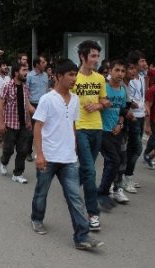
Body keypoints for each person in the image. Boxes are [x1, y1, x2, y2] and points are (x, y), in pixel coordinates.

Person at [31, 59, 104, 250]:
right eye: (70, 75)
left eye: (75, 75)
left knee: (75, 197)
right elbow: (38, 127)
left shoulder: (75, 100)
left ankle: (82, 236)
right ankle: (37, 218)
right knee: (41, 192)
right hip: (48, 157)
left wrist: (74, 149)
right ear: (58, 77)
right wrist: (39, 154)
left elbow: (72, 124)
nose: (74, 79)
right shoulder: (47, 99)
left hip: (69, 158)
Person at [72, 40, 109, 231]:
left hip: (97, 127)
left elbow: (104, 100)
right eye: (93, 56)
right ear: (82, 57)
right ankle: (93, 213)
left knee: (88, 169)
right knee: (90, 170)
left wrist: (99, 105)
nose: (96, 59)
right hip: (80, 128)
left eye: (97, 56)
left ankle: (71, 189)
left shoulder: (100, 79)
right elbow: (65, 102)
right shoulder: (74, 78)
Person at [97, 60, 129, 209]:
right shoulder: (103, 87)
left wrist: (120, 124)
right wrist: (101, 104)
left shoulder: (122, 90)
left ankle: (106, 190)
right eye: (117, 70)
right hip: (101, 130)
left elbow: (122, 111)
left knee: (114, 162)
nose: (120, 74)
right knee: (114, 160)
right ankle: (102, 192)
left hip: (116, 130)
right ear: (110, 71)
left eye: (123, 71)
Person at [0, 63, 32, 183]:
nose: (26, 72)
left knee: (23, 150)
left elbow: (26, 105)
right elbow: (0, 104)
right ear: (16, 72)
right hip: (10, 124)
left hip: (23, 125)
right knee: (9, 149)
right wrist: (1, 123)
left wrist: (29, 121)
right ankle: (3, 162)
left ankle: (17, 174)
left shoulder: (25, 87)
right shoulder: (7, 85)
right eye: (24, 70)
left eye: (27, 70)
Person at [123, 50, 147, 193]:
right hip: (132, 117)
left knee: (132, 148)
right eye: (142, 61)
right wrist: (131, 103)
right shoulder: (126, 78)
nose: (145, 64)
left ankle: (126, 175)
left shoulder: (142, 77)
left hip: (141, 115)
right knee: (136, 148)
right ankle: (126, 176)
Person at [26, 56, 48, 161]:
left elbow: (47, 89)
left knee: (44, 130)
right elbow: (25, 92)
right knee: (31, 131)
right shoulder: (29, 76)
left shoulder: (46, 75)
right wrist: (28, 106)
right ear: (37, 65)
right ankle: (28, 152)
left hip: (44, 106)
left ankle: (42, 152)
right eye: (43, 62)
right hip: (33, 105)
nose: (45, 63)